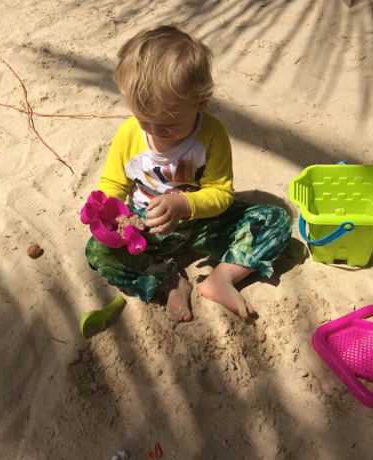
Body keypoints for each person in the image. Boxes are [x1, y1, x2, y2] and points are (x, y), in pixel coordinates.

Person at [85, 24, 292, 322]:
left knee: (276, 220)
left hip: (204, 221)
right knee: (97, 251)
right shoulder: (129, 135)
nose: (156, 131)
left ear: (201, 104)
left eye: (168, 123)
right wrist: (105, 209)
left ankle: (221, 278)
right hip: (146, 227)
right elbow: (113, 183)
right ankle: (169, 281)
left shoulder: (211, 134)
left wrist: (185, 205)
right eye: (144, 120)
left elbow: (221, 194)